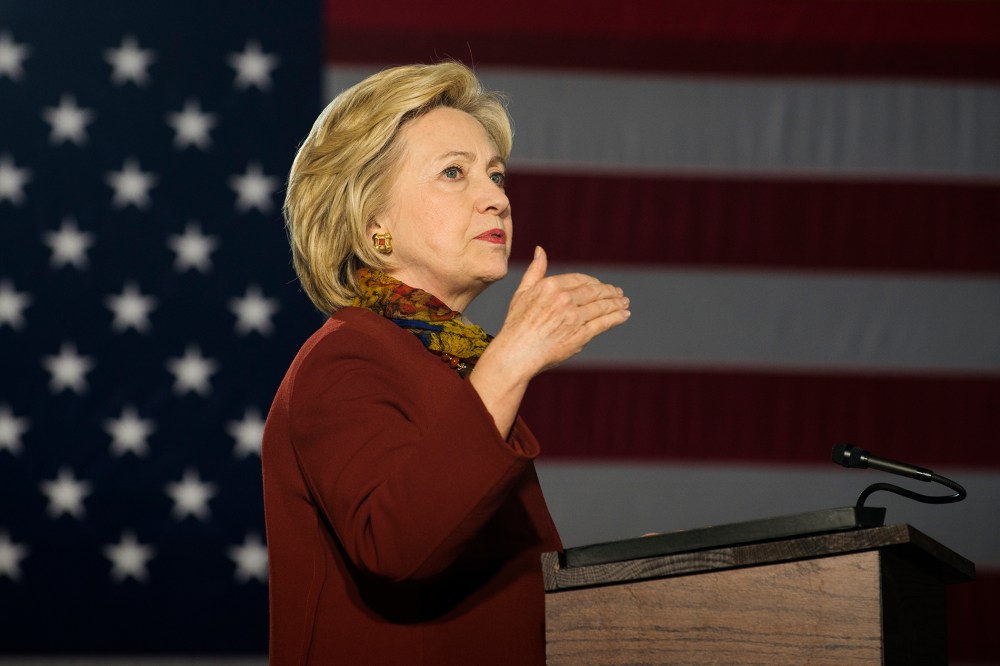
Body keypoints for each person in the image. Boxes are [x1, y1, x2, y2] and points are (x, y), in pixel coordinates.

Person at [262, 61, 631, 665]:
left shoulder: (443, 361)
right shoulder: (344, 359)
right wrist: (513, 356)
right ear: (373, 222)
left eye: (496, 175)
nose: (497, 199)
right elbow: (399, 544)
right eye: (454, 173)